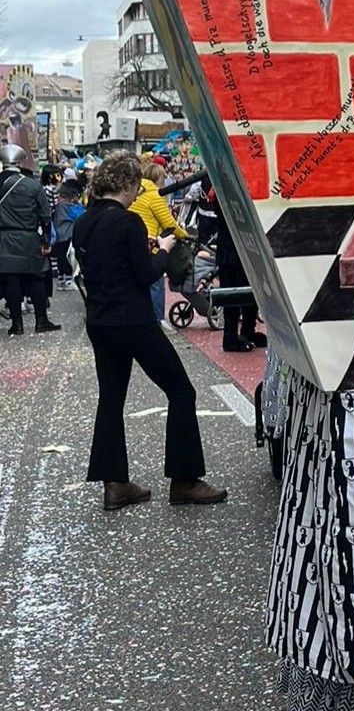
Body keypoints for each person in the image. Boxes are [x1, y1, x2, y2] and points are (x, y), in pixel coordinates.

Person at [72, 152, 227, 512]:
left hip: (100, 321)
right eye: (136, 189)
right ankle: (185, 480)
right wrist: (165, 250)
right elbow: (145, 275)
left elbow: (105, 261)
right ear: (128, 185)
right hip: (133, 320)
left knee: (111, 400)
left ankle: (115, 484)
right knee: (181, 391)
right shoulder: (129, 222)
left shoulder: (84, 221)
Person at [0, 143, 59, 337]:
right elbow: (45, 216)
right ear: (20, 161)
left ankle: (16, 324)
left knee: (11, 279)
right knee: (36, 278)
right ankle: (41, 320)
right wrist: (46, 241)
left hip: (3, 238)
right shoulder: (33, 185)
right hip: (29, 238)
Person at [204, 182, 266, 353]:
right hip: (232, 247)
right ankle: (230, 336)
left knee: (250, 290)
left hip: (240, 246)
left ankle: (248, 330)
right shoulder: (225, 186)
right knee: (233, 292)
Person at [130, 155, 188, 324]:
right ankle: (157, 320)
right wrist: (184, 235)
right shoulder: (154, 194)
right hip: (151, 243)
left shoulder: (137, 191)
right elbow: (168, 222)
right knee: (155, 282)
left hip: (134, 241)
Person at [52, 178, 85, 289]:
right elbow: (80, 214)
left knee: (61, 258)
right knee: (68, 258)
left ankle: (61, 280)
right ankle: (68, 280)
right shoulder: (67, 206)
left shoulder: (60, 205)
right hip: (67, 235)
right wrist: (79, 204)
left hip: (59, 235)